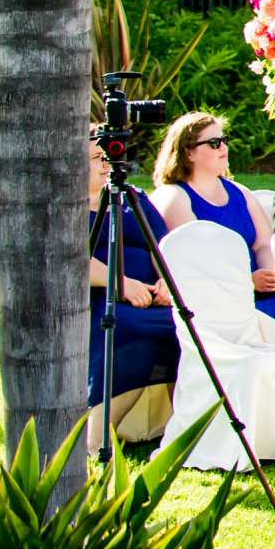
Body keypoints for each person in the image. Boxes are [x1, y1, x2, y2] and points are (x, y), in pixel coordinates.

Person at [151, 112, 275, 324]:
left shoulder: (239, 192)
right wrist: (247, 282)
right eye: (214, 143)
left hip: (259, 293)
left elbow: (263, 243)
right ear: (188, 153)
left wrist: (269, 271)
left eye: (224, 140)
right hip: (215, 304)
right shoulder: (176, 197)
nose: (223, 147)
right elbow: (194, 264)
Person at [86, 134, 178, 433]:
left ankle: (187, 425)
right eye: (97, 159)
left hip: (155, 297)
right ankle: (100, 431)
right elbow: (70, 259)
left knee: (189, 328)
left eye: (108, 157)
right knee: (129, 330)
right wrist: (120, 284)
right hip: (103, 298)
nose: (106, 165)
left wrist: (166, 279)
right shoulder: (63, 204)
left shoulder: (131, 196)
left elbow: (161, 243)